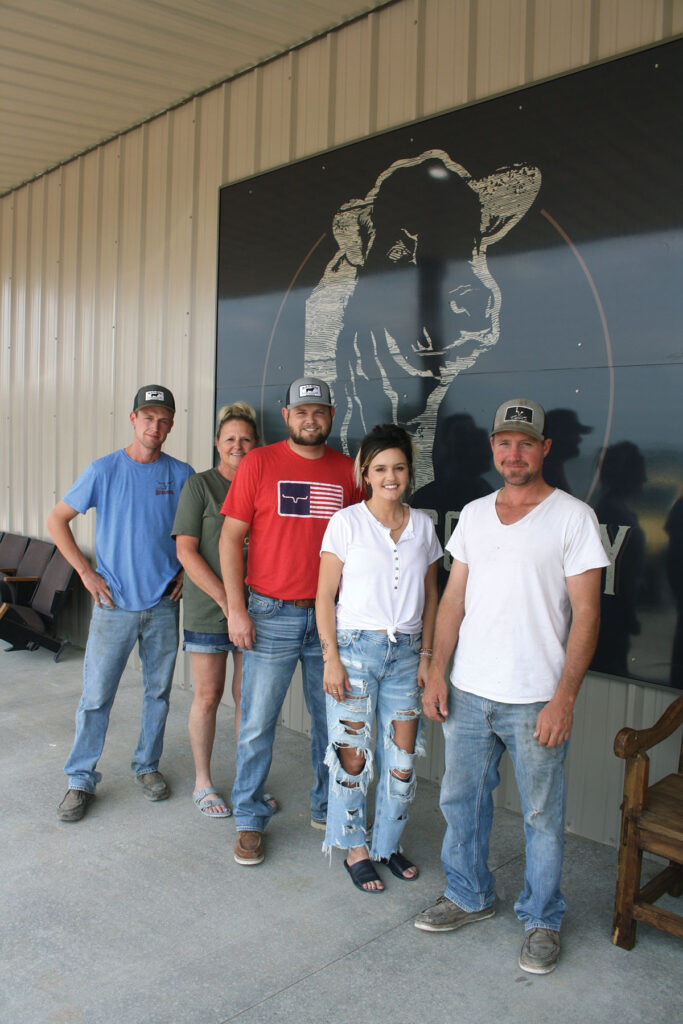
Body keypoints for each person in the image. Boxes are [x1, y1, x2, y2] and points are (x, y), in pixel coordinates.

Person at [415, 398, 609, 974]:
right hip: (470, 692)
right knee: (460, 801)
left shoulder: (574, 517)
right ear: (494, 448)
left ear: (545, 449)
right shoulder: (474, 514)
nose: (514, 452)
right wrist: (436, 669)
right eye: (505, 442)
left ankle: (543, 918)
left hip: (535, 701)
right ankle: (469, 895)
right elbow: (453, 600)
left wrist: (564, 699)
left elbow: (588, 614)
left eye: (526, 442)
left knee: (541, 815)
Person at [219, 376, 362, 866]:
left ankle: (327, 806)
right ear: (287, 416)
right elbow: (229, 539)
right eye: (302, 412)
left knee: (332, 724)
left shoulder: (349, 471)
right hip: (270, 613)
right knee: (257, 723)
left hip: (330, 620)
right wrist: (236, 609)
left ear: (332, 415)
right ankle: (248, 817)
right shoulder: (258, 463)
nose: (310, 419)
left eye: (319, 411)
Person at [49, 386, 194, 822]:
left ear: (171, 425)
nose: (155, 425)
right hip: (113, 606)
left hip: (163, 605)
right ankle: (79, 779)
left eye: (163, 418)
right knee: (96, 696)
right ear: (133, 419)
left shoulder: (181, 474)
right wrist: (85, 573)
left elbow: (200, 530)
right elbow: (57, 520)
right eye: (148, 417)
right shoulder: (103, 470)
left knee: (158, 693)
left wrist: (188, 571)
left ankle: (147, 765)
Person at [316, 424, 441, 893]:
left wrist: (428, 656)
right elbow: (324, 596)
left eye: (399, 468)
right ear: (364, 472)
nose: (391, 477)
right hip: (355, 651)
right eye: (381, 468)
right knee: (352, 758)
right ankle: (354, 848)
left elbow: (432, 596)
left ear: (410, 471)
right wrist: (331, 659)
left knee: (402, 759)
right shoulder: (346, 523)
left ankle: (387, 844)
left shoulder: (423, 525)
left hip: (407, 656)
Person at [174, 401, 272, 817]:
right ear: (217, 443)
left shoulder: (265, 484)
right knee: (210, 695)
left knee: (248, 699)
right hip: (209, 607)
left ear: (257, 445)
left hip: (257, 609)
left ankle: (247, 784)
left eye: (246, 439)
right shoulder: (200, 486)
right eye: (230, 438)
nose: (237, 445)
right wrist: (228, 604)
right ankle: (203, 781)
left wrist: (244, 608)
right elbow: (186, 551)